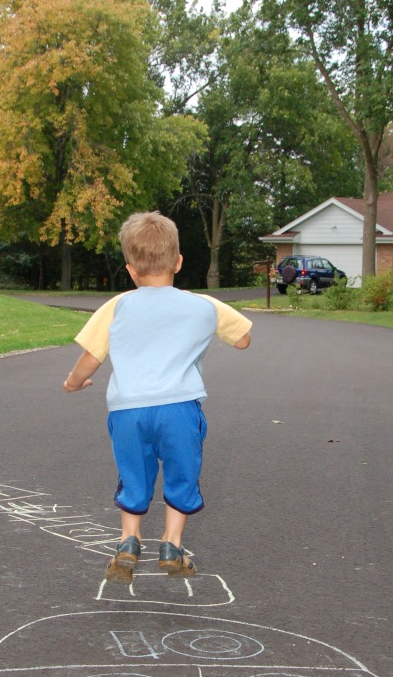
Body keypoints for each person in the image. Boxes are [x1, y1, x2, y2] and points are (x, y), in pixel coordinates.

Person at [62, 211, 252, 583]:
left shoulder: (118, 306)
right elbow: (243, 339)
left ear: (130, 269)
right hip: (179, 408)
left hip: (129, 410)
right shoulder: (203, 306)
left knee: (134, 473)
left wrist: (72, 383)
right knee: (182, 474)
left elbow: (90, 358)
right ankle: (171, 544)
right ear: (178, 262)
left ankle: (129, 540)